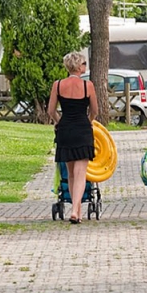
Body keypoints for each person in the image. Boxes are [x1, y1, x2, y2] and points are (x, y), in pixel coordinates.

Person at [48, 51, 99, 224]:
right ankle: (75, 210)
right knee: (81, 173)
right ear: (78, 66)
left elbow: (50, 110)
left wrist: (59, 121)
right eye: (84, 63)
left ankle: (75, 208)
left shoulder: (58, 85)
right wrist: (89, 121)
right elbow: (95, 110)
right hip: (82, 130)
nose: (85, 66)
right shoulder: (88, 86)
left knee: (70, 173)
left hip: (65, 130)